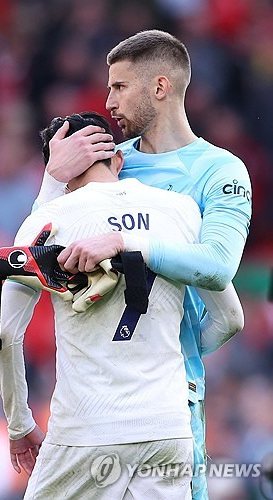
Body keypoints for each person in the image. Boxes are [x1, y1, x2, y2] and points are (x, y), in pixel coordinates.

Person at [34, 31, 252, 499]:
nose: (108, 100)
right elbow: (36, 248)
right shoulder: (107, 162)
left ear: (160, 87)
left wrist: (176, 348)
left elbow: (217, 267)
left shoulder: (219, 171)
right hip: (93, 397)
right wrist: (54, 177)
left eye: (120, 87)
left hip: (171, 400)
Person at [0, 112, 244, 500]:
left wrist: (18, 423)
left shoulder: (46, 221)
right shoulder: (180, 211)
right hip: (167, 427)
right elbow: (230, 319)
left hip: (85, 431)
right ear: (119, 161)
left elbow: (5, 331)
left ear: (55, 171)